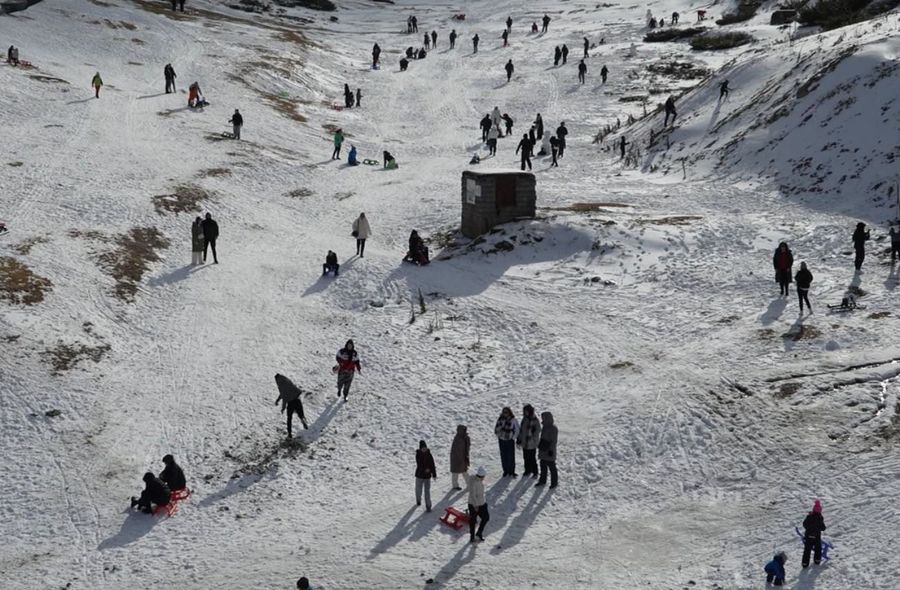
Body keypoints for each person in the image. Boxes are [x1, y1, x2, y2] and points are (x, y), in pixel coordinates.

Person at [516, 404, 541, 477]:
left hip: (532, 443)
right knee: (526, 457)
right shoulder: (524, 419)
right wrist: (519, 439)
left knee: (532, 458)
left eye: (526, 411)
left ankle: (535, 472)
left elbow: (538, 430)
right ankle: (527, 470)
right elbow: (521, 430)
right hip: (525, 442)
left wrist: (533, 435)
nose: (525, 412)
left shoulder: (535, 419)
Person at [535, 411, 558, 488]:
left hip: (549, 451)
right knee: (543, 466)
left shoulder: (553, 428)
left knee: (552, 467)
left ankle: (554, 482)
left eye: (544, 418)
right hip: (543, 449)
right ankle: (542, 481)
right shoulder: (544, 426)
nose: (542, 419)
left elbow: (553, 441)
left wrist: (550, 450)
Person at [494, 407, 519, 476]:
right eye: (504, 412)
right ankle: (505, 470)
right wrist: (499, 436)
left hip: (509, 440)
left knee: (510, 456)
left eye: (506, 412)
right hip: (502, 440)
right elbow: (496, 429)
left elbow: (517, 430)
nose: (505, 414)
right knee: (503, 456)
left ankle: (511, 471)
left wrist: (513, 438)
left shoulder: (513, 420)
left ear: (509, 413)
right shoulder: (500, 419)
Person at [802, 499, 827, 567]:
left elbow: (804, 524)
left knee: (807, 550)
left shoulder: (809, 516)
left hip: (808, 536)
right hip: (816, 537)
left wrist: (809, 528)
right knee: (818, 548)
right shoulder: (820, 518)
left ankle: (805, 563)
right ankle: (817, 560)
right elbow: (823, 528)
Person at [468, 466, 490, 542]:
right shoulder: (474, 482)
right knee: (473, 521)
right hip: (474, 504)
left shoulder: (479, 480)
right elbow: (472, 494)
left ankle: (479, 533)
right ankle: (472, 537)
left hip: (482, 503)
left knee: (486, 517)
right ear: (481, 476)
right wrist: (476, 505)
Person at [415, 440, 437, 511]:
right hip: (419, 475)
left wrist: (434, 474)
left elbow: (432, 464)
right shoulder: (418, 454)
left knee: (427, 492)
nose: (424, 449)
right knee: (418, 490)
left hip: (427, 476)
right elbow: (419, 464)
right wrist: (425, 469)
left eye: (425, 448)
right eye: (423, 448)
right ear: (420, 448)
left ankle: (428, 506)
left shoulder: (429, 454)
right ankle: (418, 500)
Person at [449, 424, 470, 490]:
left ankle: (468, 484)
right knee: (459, 472)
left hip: (461, 458)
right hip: (457, 458)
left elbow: (466, 448)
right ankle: (456, 485)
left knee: (462, 471)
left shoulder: (464, 438)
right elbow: (458, 450)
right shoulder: (459, 438)